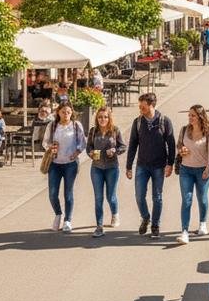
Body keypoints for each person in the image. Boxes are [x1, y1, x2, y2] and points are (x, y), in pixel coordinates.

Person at [125, 92, 176, 239]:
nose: (140, 108)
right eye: (140, 106)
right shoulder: (138, 122)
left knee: (157, 197)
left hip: (159, 166)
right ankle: (145, 217)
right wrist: (129, 166)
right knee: (139, 196)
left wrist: (170, 164)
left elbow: (171, 144)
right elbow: (133, 145)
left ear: (152, 105)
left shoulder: (164, 121)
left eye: (143, 106)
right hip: (142, 165)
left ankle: (155, 225)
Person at [175, 104, 209, 244]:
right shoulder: (185, 130)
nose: (190, 118)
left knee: (202, 198)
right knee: (186, 200)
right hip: (186, 169)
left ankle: (202, 223)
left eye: (193, 115)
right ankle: (184, 231)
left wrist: (208, 169)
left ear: (200, 116)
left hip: (202, 170)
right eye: (189, 115)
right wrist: (182, 150)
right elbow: (179, 145)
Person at [42, 101, 86, 233]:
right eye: (63, 112)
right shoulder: (53, 125)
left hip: (70, 164)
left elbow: (82, 142)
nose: (66, 114)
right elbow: (45, 142)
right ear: (58, 113)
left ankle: (68, 220)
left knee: (68, 193)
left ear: (72, 112)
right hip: (54, 163)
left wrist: (77, 152)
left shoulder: (76, 125)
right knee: (52, 194)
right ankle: (58, 214)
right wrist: (50, 147)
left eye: (68, 112)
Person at [86, 106, 126, 236]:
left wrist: (115, 150)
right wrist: (91, 153)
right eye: (100, 117)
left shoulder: (115, 130)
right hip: (96, 168)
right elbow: (88, 148)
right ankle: (99, 226)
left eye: (105, 117)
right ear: (96, 118)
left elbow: (123, 146)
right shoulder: (93, 131)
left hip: (112, 168)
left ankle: (115, 214)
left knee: (111, 196)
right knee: (98, 198)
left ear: (109, 118)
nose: (102, 119)